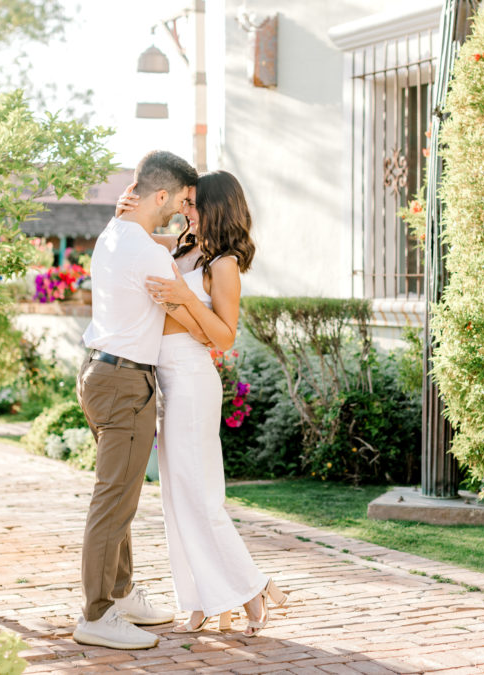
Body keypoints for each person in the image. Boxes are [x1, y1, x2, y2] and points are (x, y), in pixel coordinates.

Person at [117, 169, 288, 637]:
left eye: (193, 203)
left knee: (201, 498)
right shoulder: (181, 250)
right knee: (175, 499)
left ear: (216, 207)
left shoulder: (224, 263)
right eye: (185, 203)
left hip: (191, 380)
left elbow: (223, 337)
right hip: (163, 377)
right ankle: (199, 599)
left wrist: (182, 300)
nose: (184, 210)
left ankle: (252, 590)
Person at [73, 150, 208, 650]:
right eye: (182, 201)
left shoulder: (115, 235)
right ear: (161, 196)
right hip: (126, 383)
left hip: (100, 373)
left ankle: (120, 594)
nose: (183, 209)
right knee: (114, 501)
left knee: (119, 494)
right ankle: (96, 613)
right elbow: (192, 312)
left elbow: (159, 243)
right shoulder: (148, 253)